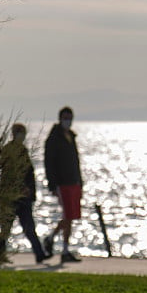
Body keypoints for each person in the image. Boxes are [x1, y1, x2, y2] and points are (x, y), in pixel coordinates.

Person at [0, 123, 47, 264]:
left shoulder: (21, 150)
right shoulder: (10, 150)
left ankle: (39, 253)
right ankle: (1, 256)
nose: (22, 135)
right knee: (8, 227)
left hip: (20, 195)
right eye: (19, 132)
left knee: (27, 227)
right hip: (12, 195)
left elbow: (26, 173)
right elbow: (11, 173)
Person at [43, 106, 83, 263]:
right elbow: (49, 163)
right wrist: (52, 185)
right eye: (65, 118)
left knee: (70, 217)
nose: (68, 121)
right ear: (60, 119)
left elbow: (76, 161)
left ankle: (53, 239)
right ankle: (63, 249)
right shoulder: (54, 138)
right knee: (67, 215)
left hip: (74, 182)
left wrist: (80, 182)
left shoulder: (71, 137)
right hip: (62, 184)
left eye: (70, 118)